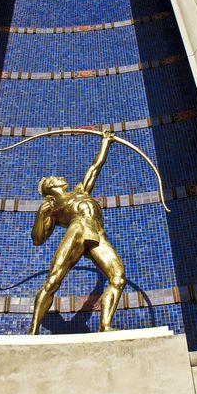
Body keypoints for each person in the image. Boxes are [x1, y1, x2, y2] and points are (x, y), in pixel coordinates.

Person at [29, 130, 126, 334]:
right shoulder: (53, 208)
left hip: (97, 234)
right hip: (78, 229)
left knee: (118, 277)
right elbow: (38, 239)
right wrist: (40, 215)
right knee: (53, 280)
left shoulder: (80, 191)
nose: (59, 176)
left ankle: (105, 326)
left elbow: (95, 167)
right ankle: (33, 330)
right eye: (54, 178)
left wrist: (105, 142)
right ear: (50, 187)